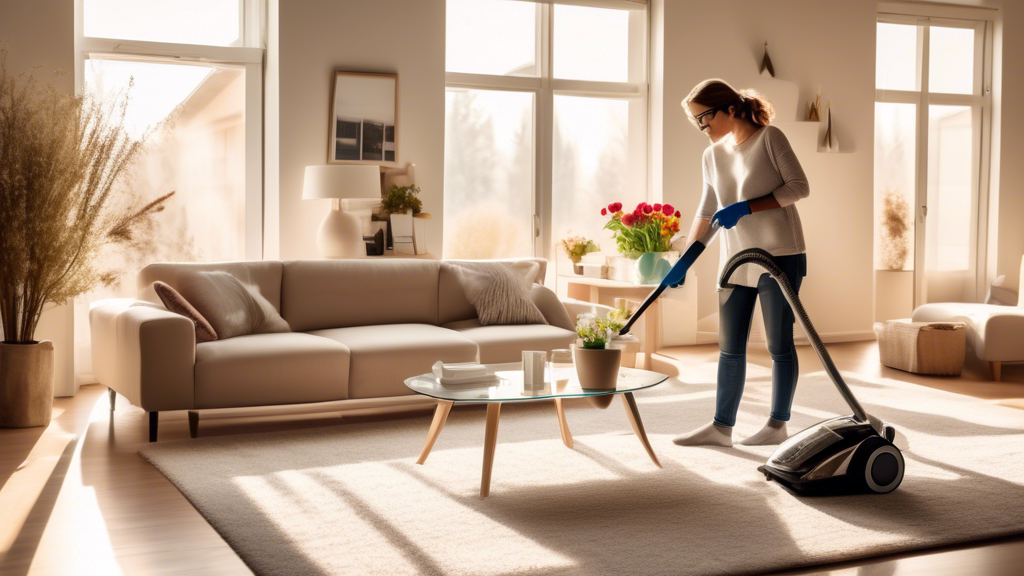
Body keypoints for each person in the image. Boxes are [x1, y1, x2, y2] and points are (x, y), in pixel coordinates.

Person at [671, 79, 810, 447]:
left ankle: (777, 425)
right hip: (734, 260)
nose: (702, 128)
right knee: (730, 346)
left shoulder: (770, 138)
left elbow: (798, 187)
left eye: (704, 118)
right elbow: (706, 209)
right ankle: (721, 427)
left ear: (729, 108)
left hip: (779, 254)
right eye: (696, 122)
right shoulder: (712, 155)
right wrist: (686, 258)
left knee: (778, 344)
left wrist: (747, 206)